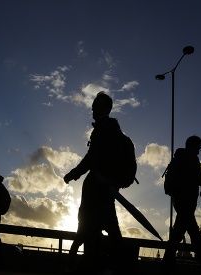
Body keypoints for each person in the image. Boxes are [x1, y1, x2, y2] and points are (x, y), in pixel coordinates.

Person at [64, 91, 124, 275]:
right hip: (104, 186)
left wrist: (74, 173)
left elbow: (92, 158)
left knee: (92, 226)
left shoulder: (104, 128)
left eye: (96, 104)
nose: (92, 107)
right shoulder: (110, 128)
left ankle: (107, 266)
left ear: (105, 107)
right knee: (98, 227)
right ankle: (100, 266)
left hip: (98, 187)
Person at [160, 135, 201, 275]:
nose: (199, 150)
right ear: (194, 145)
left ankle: (167, 265)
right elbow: (198, 179)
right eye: (199, 147)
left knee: (187, 233)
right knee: (186, 234)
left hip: (178, 199)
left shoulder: (179, 157)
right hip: (187, 201)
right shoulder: (191, 158)